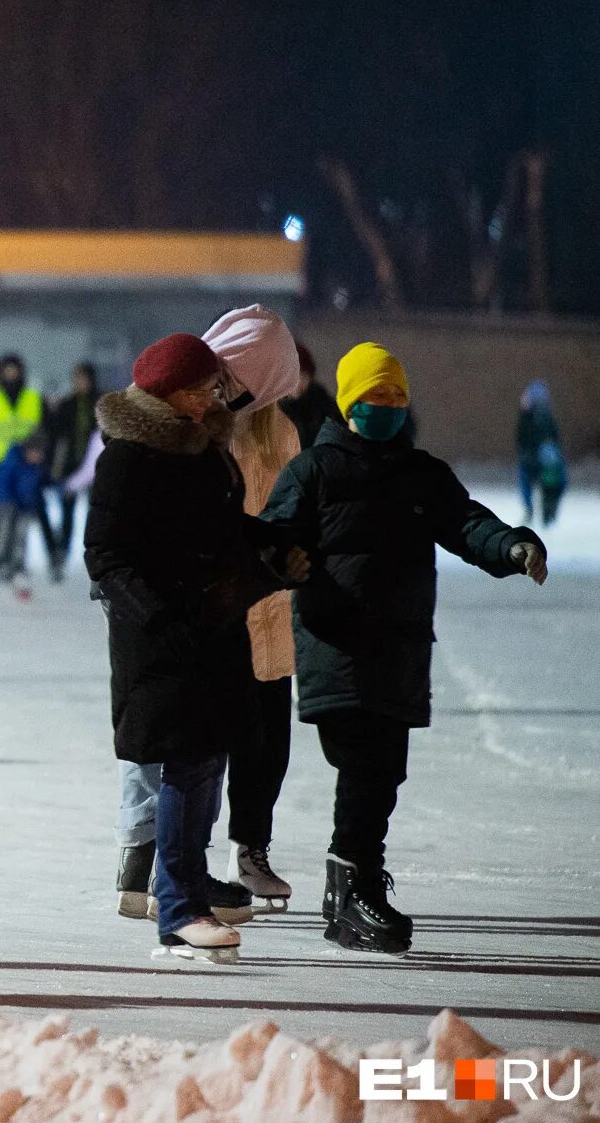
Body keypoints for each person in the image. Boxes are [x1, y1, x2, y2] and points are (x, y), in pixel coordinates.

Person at [262, 343, 547, 955]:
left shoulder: (421, 475)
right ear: (348, 403)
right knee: (365, 764)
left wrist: (511, 546)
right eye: (375, 396)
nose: (387, 406)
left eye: (396, 396)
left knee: (384, 771)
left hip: (399, 647)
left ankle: (352, 887)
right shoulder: (314, 471)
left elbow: (466, 523)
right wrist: (281, 559)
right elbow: (274, 535)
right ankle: (353, 889)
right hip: (335, 643)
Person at [86, 333, 305, 963]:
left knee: (206, 762)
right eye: (204, 387)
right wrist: (158, 617)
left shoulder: (205, 446)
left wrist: (272, 544)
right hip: (161, 642)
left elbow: (223, 526)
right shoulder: (128, 459)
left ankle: (184, 896)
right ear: (171, 392)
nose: (214, 396)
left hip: (215, 628)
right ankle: (180, 908)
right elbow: (105, 555)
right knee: (185, 763)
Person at [204, 307, 305, 910]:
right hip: (214, 607)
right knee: (200, 743)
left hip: (270, 609)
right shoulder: (196, 425)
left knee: (266, 744)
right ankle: (168, 854)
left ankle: (251, 848)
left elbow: (294, 512)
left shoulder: (280, 432)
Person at [0, 354, 56, 589]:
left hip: (27, 466)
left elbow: (46, 429)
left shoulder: (32, 397)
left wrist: (40, 452)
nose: (11, 374)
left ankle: (17, 565)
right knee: (3, 518)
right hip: (1, 464)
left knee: (23, 521)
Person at [45, 363, 99, 573]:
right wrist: (56, 467)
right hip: (71, 465)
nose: (80, 383)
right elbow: (57, 436)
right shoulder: (68, 404)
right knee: (67, 512)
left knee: (95, 511)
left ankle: (95, 551)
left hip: (96, 465)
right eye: (77, 379)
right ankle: (62, 552)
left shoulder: (99, 402)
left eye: (84, 378)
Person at [516, 380, 566, 528]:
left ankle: (541, 511)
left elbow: (551, 437)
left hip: (542, 460)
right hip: (536, 459)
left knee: (548, 483)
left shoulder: (537, 415)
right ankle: (541, 511)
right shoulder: (531, 416)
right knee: (543, 483)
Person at [279, 343, 341, 449]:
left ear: (309, 375)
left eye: (302, 375)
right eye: (291, 376)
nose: (298, 382)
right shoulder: (274, 413)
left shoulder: (326, 408)